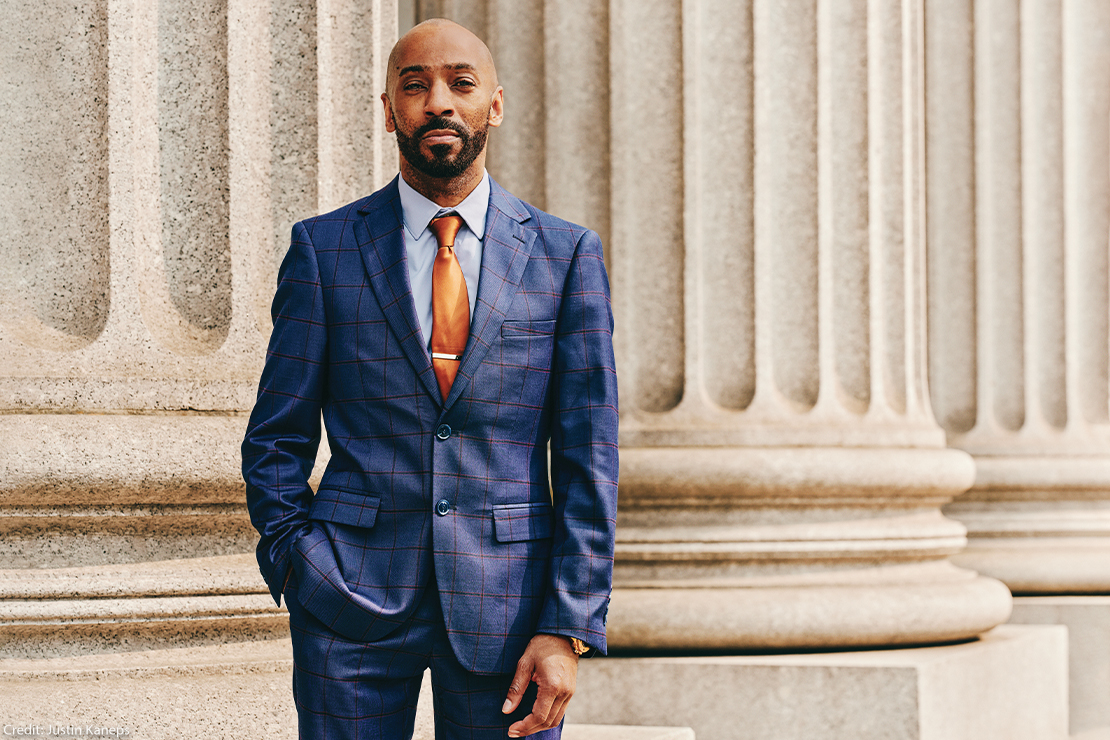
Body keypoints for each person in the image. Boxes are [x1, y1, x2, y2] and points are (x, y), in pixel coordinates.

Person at [242, 18, 618, 739]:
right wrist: (296, 560)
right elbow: (275, 438)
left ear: (494, 105)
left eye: (460, 83)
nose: (438, 102)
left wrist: (568, 625)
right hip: (346, 599)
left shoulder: (566, 255)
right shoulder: (323, 249)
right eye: (414, 86)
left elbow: (588, 456)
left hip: (511, 611)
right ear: (390, 111)